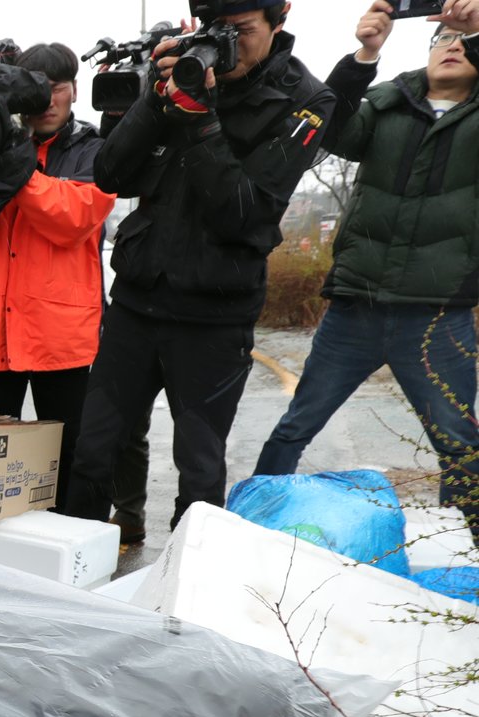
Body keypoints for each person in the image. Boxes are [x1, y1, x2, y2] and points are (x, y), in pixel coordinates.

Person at [61, 0, 335, 529]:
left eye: (243, 31)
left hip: (215, 314)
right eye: (218, 30)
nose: (228, 44)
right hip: (138, 301)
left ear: (280, 22)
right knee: (92, 451)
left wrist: (200, 118)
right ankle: (78, 585)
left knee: (200, 472)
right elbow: (112, 172)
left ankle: (185, 598)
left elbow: (246, 214)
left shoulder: (306, 99)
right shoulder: (186, 67)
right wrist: (156, 98)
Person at [255, 0, 479, 542]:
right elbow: (333, 134)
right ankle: (255, 524)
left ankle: (463, 553)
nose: (450, 46)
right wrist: (364, 55)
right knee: (295, 425)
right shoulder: (387, 101)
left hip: (437, 317)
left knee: (458, 443)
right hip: (355, 308)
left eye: (462, 40)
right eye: (440, 38)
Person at [0, 43, 115, 511]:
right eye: (40, 89)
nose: (50, 100)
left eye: (59, 87)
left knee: (73, 462)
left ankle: (80, 557)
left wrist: (13, 165)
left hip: (63, 341)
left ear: (74, 90)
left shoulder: (94, 148)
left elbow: (74, 216)